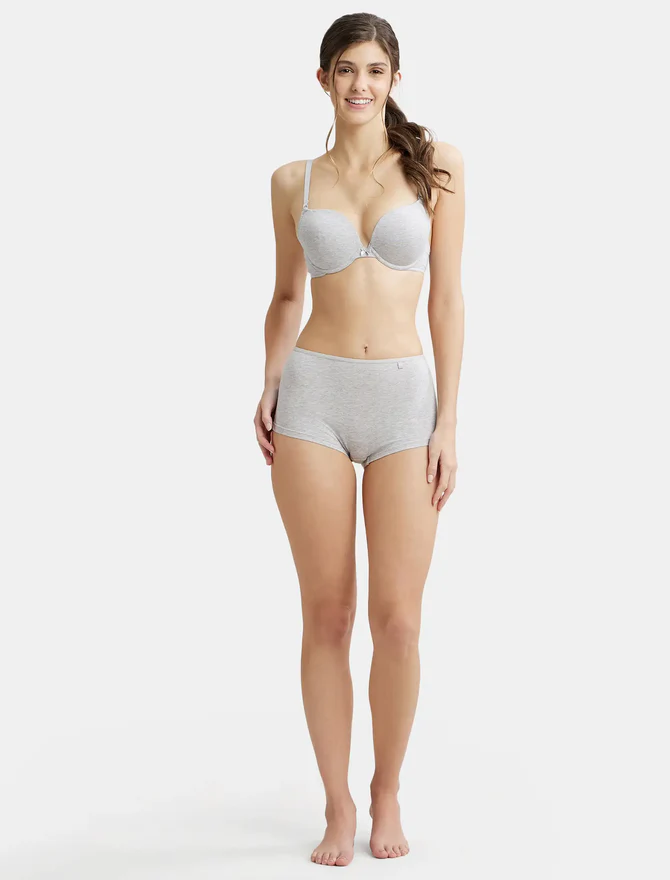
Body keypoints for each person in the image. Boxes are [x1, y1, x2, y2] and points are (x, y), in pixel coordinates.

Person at [254, 12, 464, 867]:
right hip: (313, 399)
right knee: (330, 614)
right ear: (323, 79)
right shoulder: (291, 181)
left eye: (375, 69)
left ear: (394, 79)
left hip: (405, 405)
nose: (360, 84)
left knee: (400, 622)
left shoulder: (437, 165)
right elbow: (285, 296)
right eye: (346, 68)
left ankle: (386, 789)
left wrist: (449, 418)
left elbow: (447, 299)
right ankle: (337, 803)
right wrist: (269, 379)